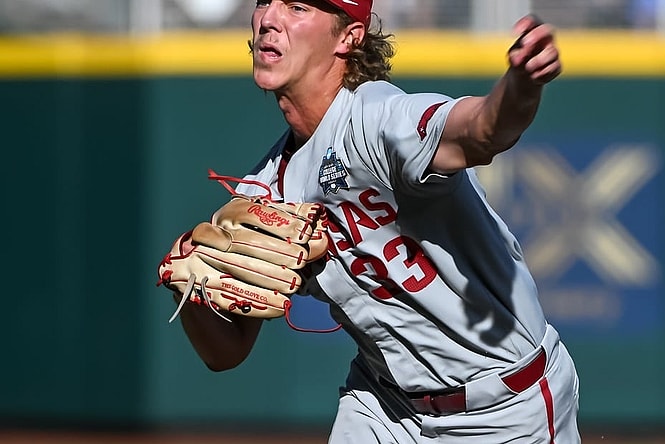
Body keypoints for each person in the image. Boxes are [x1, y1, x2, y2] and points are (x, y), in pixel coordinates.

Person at [172, 0, 580, 442]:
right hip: (384, 406)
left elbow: (480, 130)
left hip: (503, 406)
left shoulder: (376, 118)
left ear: (348, 37)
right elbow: (225, 352)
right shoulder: (265, 190)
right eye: (263, 2)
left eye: (296, 7)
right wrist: (191, 282)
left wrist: (521, 84)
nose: (269, 19)